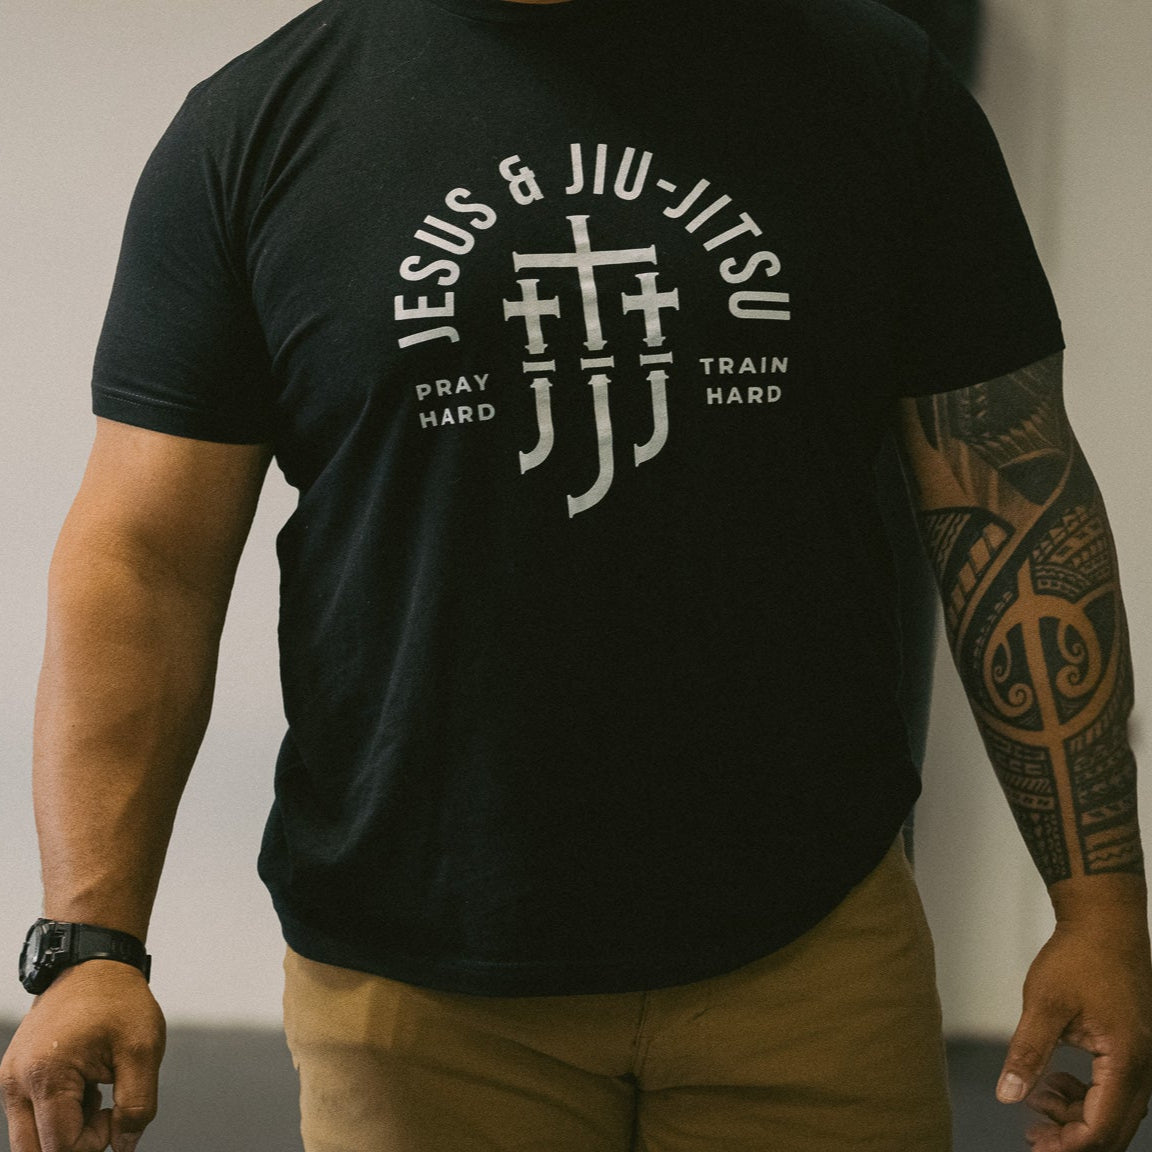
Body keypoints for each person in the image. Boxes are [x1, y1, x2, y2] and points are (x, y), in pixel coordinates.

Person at [2, 0, 1151, 1149]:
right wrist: (91, 943)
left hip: (814, 951)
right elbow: (144, 564)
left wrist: (1099, 909)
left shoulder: (876, 89)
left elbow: (1009, 500)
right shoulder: (252, 129)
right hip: (417, 997)